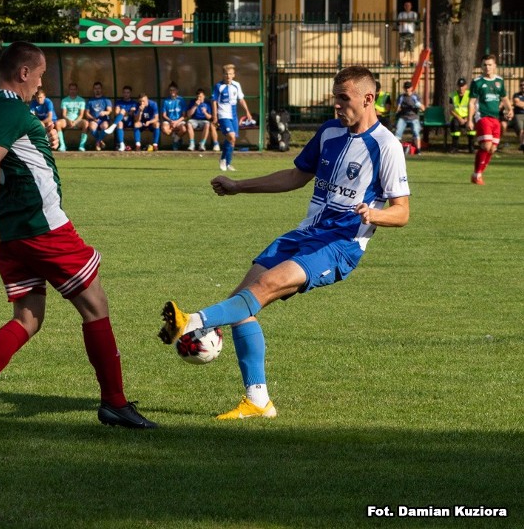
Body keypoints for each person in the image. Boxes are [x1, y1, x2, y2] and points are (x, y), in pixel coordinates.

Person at [158, 66, 410, 420]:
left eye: (344, 98)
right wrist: (239, 185)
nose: (336, 105)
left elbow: (402, 212)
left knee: (265, 286)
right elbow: (295, 176)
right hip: (305, 233)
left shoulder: (386, 146)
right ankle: (258, 401)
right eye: (335, 96)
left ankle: (191, 321)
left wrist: (374, 214)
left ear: (368, 99)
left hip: (340, 244)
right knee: (241, 305)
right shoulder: (329, 132)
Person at [0, 40, 156, 433]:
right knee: (96, 306)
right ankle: (114, 403)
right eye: (39, 76)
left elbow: (5, 153)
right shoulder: (9, 106)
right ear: (23, 72)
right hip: (42, 227)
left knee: (27, 318)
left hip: (14, 233)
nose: (40, 86)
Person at [468, 54, 513, 185]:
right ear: (481, 66)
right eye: (484, 65)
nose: (487, 67)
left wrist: (509, 109)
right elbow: (471, 102)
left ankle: (477, 174)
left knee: (492, 149)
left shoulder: (499, 81)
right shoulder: (477, 82)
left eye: (489, 65)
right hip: (482, 117)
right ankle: (477, 175)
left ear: (495, 66)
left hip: (495, 118)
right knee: (486, 145)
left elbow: (504, 97)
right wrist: (470, 120)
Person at [212, 63, 253, 171]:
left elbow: (241, 99)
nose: (228, 76)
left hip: (233, 116)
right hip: (223, 115)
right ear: (223, 75)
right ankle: (222, 160)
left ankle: (228, 163)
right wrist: (215, 116)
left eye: (230, 74)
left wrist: (247, 112)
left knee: (232, 140)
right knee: (231, 137)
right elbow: (214, 101)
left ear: (233, 75)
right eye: (226, 74)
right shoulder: (218, 86)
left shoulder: (236, 85)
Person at [56, 82, 89, 151]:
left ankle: (82, 146)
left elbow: (81, 115)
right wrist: (69, 121)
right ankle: (62, 145)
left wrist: (75, 122)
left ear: (77, 90)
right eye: (71, 89)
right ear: (69, 90)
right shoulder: (64, 100)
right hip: (67, 120)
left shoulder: (81, 100)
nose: (72, 91)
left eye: (74, 89)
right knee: (58, 123)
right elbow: (64, 114)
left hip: (78, 121)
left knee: (86, 123)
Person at [394, 81, 423, 154]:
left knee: (416, 133)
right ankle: (396, 151)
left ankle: (418, 151)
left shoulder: (415, 96)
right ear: (404, 88)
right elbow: (396, 110)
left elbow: (423, 108)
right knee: (397, 133)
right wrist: (398, 105)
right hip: (403, 117)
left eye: (409, 87)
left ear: (411, 88)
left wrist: (417, 104)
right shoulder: (401, 97)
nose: (407, 89)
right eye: (406, 88)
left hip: (414, 118)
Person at [84, 81, 114, 150]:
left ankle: (97, 143)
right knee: (91, 126)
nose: (97, 90)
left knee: (105, 126)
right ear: (93, 90)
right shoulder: (90, 101)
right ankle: (100, 141)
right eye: (95, 88)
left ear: (101, 89)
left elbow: (110, 111)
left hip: (103, 119)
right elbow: (87, 113)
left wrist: (105, 112)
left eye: (99, 88)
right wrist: (93, 118)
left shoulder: (106, 100)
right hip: (94, 119)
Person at [449, 77, 475, 153]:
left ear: (466, 86)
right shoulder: (452, 95)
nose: (461, 88)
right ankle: (455, 147)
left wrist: (467, 118)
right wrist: (459, 118)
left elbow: (474, 108)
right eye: (459, 86)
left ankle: (471, 148)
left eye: (463, 86)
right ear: (457, 86)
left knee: (471, 128)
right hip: (457, 117)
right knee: (455, 125)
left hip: (468, 116)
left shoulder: (470, 94)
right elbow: (451, 110)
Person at [108, 85, 138, 151]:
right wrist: (125, 112)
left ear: (130, 93)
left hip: (130, 122)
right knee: (119, 123)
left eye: (128, 92)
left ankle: (113, 125)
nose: (126, 94)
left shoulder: (134, 103)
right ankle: (122, 145)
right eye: (124, 92)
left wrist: (123, 112)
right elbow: (116, 112)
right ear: (123, 93)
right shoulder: (119, 102)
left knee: (122, 110)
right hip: (121, 121)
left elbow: (132, 113)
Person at [161, 82, 188, 150]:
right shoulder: (166, 101)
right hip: (169, 121)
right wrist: (170, 121)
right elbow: (164, 115)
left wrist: (176, 122)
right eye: (170, 90)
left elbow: (184, 115)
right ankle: (177, 137)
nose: (172, 91)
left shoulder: (181, 100)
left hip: (179, 121)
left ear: (177, 90)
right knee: (164, 129)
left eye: (173, 90)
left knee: (184, 129)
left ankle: (175, 141)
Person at [397, 1, 419, 67]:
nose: (407, 7)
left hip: (411, 33)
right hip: (402, 33)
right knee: (401, 48)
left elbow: (414, 20)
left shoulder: (414, 13)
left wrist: (405, 20)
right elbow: (400, 22)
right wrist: (409, 20)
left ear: (411, 6)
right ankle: (401, 62)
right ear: (404, 7)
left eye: (409, 5)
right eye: (406, 5)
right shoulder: (401, 14)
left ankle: (411, 62)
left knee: (411, 48)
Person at [511, 79, 524, 152]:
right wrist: (520, 104)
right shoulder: (516, 95)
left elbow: (520, 103)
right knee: (521, 129)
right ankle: (522, 144)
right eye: (521, 85)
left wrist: (521, 104)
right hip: (519, 114)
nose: (523, 87)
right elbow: (517, 103)